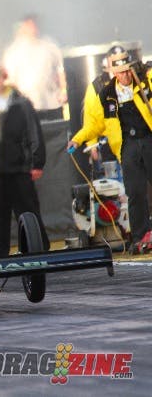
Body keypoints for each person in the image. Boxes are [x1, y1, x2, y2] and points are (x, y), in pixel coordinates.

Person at [67, 46, 152, 254]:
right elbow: (95, 123)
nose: (125, 76)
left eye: (127, 70)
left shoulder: (146, 82)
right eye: (120, 72)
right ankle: (140, 236)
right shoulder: (106, 94)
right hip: (127, 145)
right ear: (113, 73)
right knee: (135, 192)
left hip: (148, 138)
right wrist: (78, 139)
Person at [0, 63, 49, 257]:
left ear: (4, 77)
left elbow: (34, 131)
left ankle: (36, 250)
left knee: (28, 210)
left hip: (19, 168)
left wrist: (37, 162)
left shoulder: (21, 103)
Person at [2, 14, 67, 121]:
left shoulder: (50, 46)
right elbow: (9, 79)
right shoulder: (13, 52)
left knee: (56, 128)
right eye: (29, 26)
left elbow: (61, 71)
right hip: (28, 107)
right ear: (22, 28)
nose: (33, 29)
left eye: (34, 25)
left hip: (53, 104)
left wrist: (64, 92)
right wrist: (19, 100)